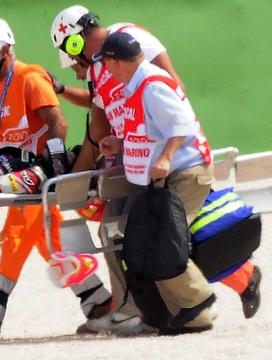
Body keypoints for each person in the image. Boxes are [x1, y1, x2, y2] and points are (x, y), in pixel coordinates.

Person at [50, 4, 261, 328]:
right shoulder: (103, 69)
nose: (76, 68)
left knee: (173, 238)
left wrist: (163, 150)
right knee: (146, 233)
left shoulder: (131, 46)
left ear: (75, 43)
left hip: (174, 161)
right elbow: (102, 120)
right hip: (142, 159)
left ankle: (195, 301)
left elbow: (173, 93)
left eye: (72, 57)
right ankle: (145, 307)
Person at [0, 18, 113, 340]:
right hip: (8, 173)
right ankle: (97, 301)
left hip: (38, 173)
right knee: (47, 239)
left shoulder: (30, 78)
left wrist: (52, 167)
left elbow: (58, 124)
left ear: (4, 50)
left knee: (16, 235)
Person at [95, 31, 217, 333]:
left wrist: (165, 158)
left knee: (164, 242)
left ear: (114, 61)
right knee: (154, 242)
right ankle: (191, 316)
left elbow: (181, 125)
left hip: (187, 172)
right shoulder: (136, 86)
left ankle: (199, 298)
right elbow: (150, 131)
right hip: (173, 175)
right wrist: (120, 142)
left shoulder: (150, 84)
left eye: (106, 64)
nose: (105, 72)